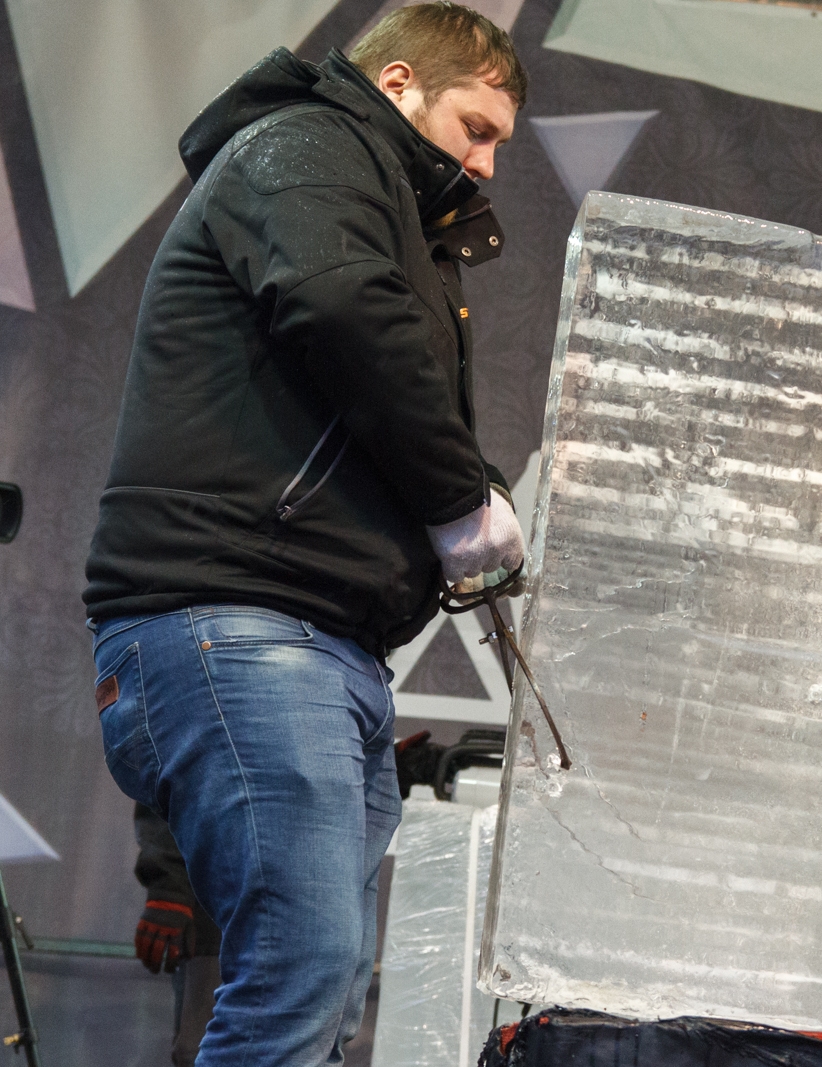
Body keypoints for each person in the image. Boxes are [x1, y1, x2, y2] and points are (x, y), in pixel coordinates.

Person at [83, 5, 528, 1062]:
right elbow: (342, 313)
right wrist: (463, 498)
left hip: (315, 643)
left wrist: (478, 492)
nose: (489, 164)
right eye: (476, 126)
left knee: (322, 999)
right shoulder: (304, 145)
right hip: (241, 627)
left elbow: (380, 382)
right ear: (399, 83)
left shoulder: (377, 203)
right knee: (302, 975)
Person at [134, 803, 221, 1067]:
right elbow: (174, 774)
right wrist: (169, 887)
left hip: (310, 916)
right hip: (221, 913)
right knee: (204, 1047)